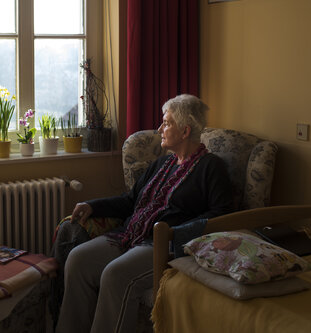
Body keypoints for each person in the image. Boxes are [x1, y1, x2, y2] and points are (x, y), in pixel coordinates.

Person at [54, 94, 234, 333]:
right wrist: (93, 205)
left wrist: (176, 233)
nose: (159, 129)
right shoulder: (161, 166)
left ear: (185, 131)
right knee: (78, 259)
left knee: (115, 275)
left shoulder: (212, 167)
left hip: (164, 245)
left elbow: (222, 213)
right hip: (130, 235)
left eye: (166, 123)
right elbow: (130, 201)